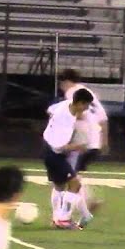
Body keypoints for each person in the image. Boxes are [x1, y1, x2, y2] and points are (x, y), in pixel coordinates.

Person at [58, 69, 108, 226]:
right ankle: (87, 205)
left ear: (66, 82)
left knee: (69, 177)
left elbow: (78, 115)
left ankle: (67, 215)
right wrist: (104, 141)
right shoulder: (88, 92)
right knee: (73, 175)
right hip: (95, 141)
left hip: (82, 142)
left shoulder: (72, 93)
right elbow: (103, 119)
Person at [43, 88, 93, 229]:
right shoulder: (65, 121)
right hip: (54, 154)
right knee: (75, 184)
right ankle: (63, 220)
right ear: (79, 103)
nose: (86, 109)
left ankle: (56, 219)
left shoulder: (65, 104)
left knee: (59, 186)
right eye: (86, 105)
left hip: (46, 148)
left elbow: (50, 110)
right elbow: (59, 147)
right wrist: (78, 147)